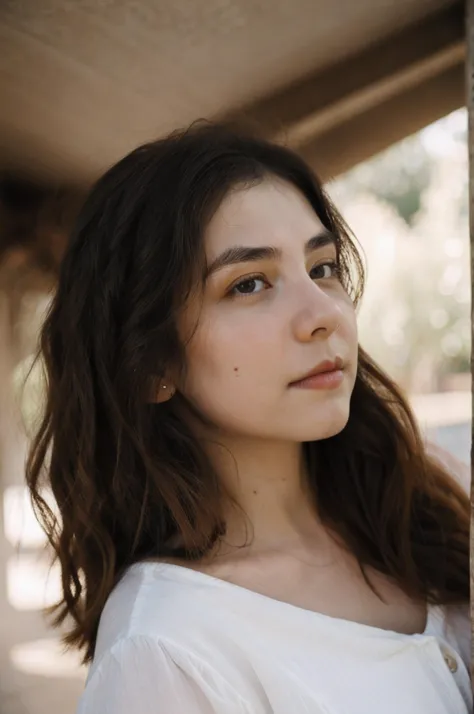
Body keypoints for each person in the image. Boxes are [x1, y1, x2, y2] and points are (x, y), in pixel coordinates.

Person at [25, 122, 471, 714]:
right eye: (249, 284)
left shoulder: (431, 494)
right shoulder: (164, 652)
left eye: (323, 268)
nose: (322, 314)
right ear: (153, 362)